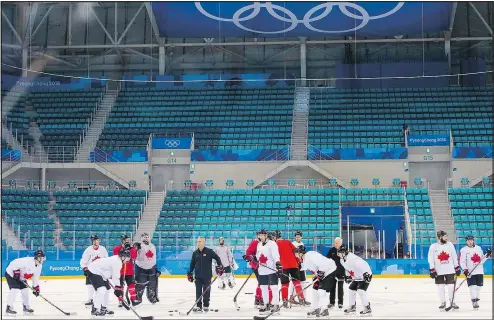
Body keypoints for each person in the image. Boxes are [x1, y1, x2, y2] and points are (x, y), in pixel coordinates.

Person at [295, 246, 336, 317]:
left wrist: (321, 271)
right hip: (322, 273)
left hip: (329, 270)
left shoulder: (309, 254)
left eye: (297, 254)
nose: (297, 256)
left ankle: (324, 310)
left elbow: (321, 261)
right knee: (315, 290)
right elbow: (304, 266)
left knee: (321, 291)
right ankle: (315, 308)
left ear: (301, 253)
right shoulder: (305, 259)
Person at [87, 250, 131, 316]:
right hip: (94, 270)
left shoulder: (117, 259)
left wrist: (117, 288)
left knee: (107, 290)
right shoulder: (117, 262)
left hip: (101, 273)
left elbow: (112, 275)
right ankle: (95, 309)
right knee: (101, 289)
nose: (128, 259)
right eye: (127, 257)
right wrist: (118, 287)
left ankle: (104, 308)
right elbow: (115, 277)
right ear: (123, 257)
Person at [247, 230, 281, 315]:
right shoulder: (259, 244)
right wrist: (252, 258)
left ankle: (276, 305)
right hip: (262, 270)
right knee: (264, 288)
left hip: (271, 269)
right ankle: (266, 305)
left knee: (274, 287)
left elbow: (276, 254)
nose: (260, 237)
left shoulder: (272, 244)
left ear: (266, 236)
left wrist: (277, 263)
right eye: (259, 235)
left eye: (262, 235)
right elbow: (258, 257)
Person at [272, 230, 309, 307]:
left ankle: (285, 300)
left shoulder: (274, 244)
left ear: (275, 237)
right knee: (297, 282)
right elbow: (296, 252)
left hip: (283, 266)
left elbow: (275, 256)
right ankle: (301, 298)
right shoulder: (288, 242)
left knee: (285, 284)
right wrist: (298, 261)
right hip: (294, 265)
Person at [187, 236, 224, 312]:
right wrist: (190, 272)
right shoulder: (195, 253)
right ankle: (199, 306)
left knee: (206, 291)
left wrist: (219, 266)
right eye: (197, 241)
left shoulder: (209, 251)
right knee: (198, 292)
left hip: (207, 276)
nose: (198, 243)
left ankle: (206, 305)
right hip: (198, 276)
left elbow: (217, 258)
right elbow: (192, 264)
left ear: (204, 242)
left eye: (200, 241)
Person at [5, 250, 45, 315]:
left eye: (43, 258)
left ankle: (26, 307)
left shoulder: (39, 266)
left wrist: (36, 288)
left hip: (21, 277)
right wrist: (16, 271)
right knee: (15, 289)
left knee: (25, 290)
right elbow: (14, 263)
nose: (42, 259)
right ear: (36, 258)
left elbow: (35, 278)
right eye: (41, 258)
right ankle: (9, 308)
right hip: (11, 274)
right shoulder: (27, 261)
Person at [428, 230, 460, 310]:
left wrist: (457, 267)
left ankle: (453, 302)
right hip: (438, 271)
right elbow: (430, 258)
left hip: (450, 270)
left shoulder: (450, 245)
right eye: (445, 236)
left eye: (446, 236)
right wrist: (432, 269)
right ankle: (443, 302)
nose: (446, 238)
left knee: (451, 287)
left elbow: (454, 256)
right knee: (440, 287)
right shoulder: (433, 246)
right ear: (440, 237)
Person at [338, 245, 373, 316]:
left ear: (345, 252)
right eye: (339, 252)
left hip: (364, 275)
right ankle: (352, 306)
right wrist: (348, 276)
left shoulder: (352, 258)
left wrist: (366, 274)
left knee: (361, 291)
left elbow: (363, 264)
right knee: (351, 289)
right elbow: (347, 269)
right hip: (357, 277)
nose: (340, 254)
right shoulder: (342, 260)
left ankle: (367, 308)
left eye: (341, 252)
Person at [459, 235, 491, 310]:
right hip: (470, 272)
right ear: (466, 241)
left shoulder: (478, 248)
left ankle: (477, 299)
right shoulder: (463, 250)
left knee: (478, 287)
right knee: (472, 287)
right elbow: (462, 261)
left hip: (479, 271)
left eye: (471, 240)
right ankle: (474, 301)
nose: (470, 242)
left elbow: (481, 261)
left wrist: (487, 255)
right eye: (468, 240)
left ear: (473, 240)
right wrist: (465, 270)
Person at [244, 231, 272, 308]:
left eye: (264, 235)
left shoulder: (265, 243)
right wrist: (253, 258)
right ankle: (259, 299)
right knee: (262, 282)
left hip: (262, 265)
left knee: (262, 282)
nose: (262, 237)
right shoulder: (255, 243)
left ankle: (258, 299)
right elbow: (248, 253)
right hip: (256, 265)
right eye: (260, 235)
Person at [80, 235, 108, 308]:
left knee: (100, 286)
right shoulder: (88, 250)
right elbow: (83, 260)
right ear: (92, 241)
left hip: (100, 271)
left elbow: (106, 259)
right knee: (90, 285)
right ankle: (90, 299)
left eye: (98, 240)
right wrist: (85, 268)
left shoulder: (103, 249)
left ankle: (99, 300)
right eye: (96, 240)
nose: (97, 241)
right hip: (91, 270)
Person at [113, 234, 139, 307]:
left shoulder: (132, 249)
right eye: (126, 240)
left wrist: (129, 249)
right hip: (120, 271)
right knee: (120, 286)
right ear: (122, 241)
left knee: (132, 285)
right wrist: (124, 250)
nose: (128, 241)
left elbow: (134, 256)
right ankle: (120, 301)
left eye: (129, 240)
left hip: (130, 271)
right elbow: (116, 256)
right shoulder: (117, 248)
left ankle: (133, 299)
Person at [134, 232, 159, 304]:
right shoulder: (139, 245)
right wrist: (135, 247)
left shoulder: (152, 246)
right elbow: (134, 253)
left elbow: (154, 258)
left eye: (147, 237)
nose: (146, 238)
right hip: (141, 268)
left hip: (151, 268)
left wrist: (156, 269)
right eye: (144, 237)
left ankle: (152, 297)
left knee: (152, 284)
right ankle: (138, 298)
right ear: (141, 238)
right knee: (140, 284)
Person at [325, 236, 345, 309]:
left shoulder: (344, 250)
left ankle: (340, 303)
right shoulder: (332, 250)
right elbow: (326, 259)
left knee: (340, 288)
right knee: (332, 288)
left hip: (341, 272)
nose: (335, 244)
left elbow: (348, 260)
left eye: (336, 243)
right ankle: (331, 302)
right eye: (334, 243)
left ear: (340, 243)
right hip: (332, 272)